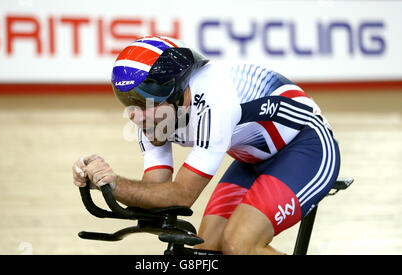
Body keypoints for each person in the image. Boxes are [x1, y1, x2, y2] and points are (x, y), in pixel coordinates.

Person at [72, 36, 340, 255]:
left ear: (179, 96)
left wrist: (117, 184)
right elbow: (155, 190)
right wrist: (104, 184)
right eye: (127, 101)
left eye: (143, 102)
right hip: (252, 159)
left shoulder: (217, 101)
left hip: (307, 146)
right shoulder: (150, 114)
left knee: (239, 246)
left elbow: (181, 195)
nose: (133, 114)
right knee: (207, 251)